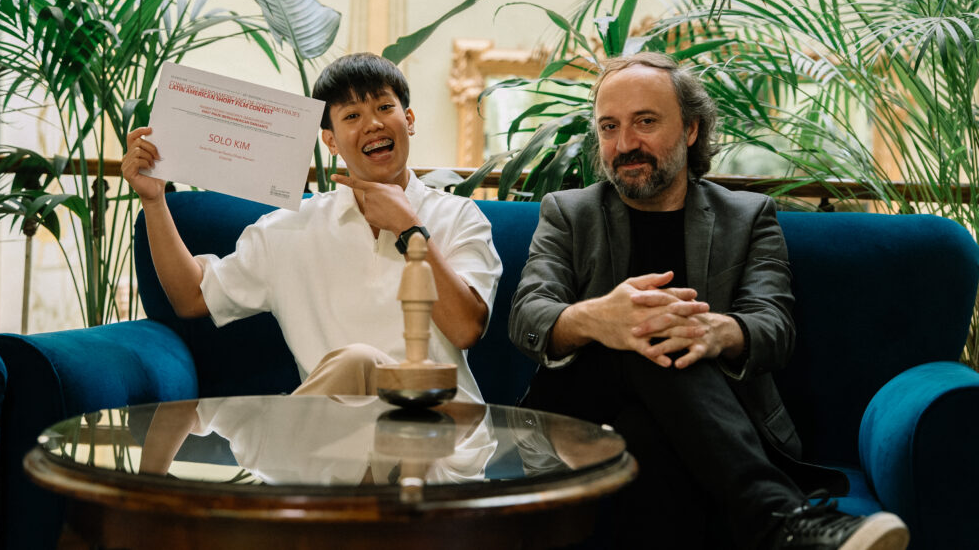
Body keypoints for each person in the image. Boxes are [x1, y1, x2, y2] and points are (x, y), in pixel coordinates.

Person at [508, 52, 909, 550]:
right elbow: (528, 315)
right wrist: (599, 319)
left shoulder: (748, 216)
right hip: (580, 416)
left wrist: (714, 332)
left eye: (645, 122)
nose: (625, 143)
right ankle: (782, 521)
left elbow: (773, 327)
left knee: (653, 410)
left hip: (702, 429)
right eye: (609, 127)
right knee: (650, 330)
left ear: (691, 129)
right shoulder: (568, 213)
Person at [122, 53, 502, 403]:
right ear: (330, 141)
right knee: (356, 363)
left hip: (438, 433)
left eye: (385, 108)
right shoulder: (289, 229)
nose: (373, 124)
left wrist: (409, 228)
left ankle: (278, 438)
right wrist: (154, 201)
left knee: (359, 361)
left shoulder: (459, 217)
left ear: (410, 120)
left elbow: (465, 329)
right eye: (352, 116)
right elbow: (191, 297)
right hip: (332, 439)